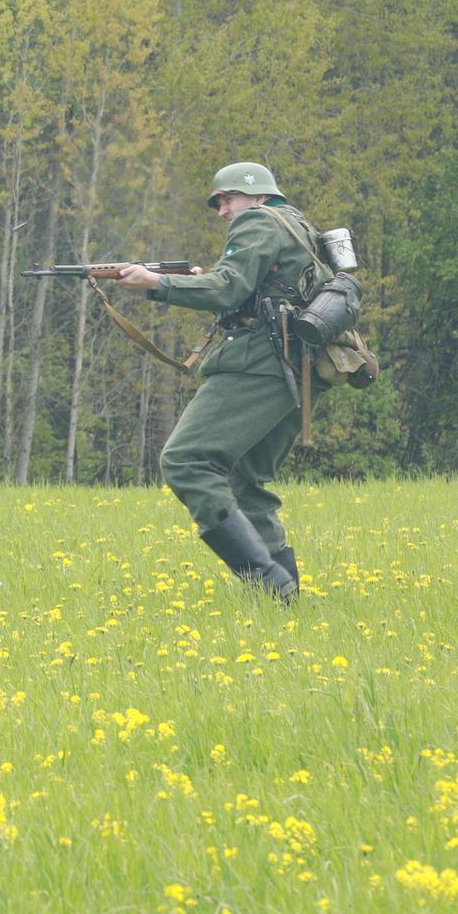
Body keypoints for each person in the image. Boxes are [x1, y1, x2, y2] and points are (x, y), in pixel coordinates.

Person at [109, 162, 317, 600]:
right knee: (244, 478)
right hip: (299, 367)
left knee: (186, 460)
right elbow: (252, 290)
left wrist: (157, 282)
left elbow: (228, 289)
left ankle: (268, 582)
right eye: (219, 203)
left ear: (256, 195)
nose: (223, 210)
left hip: (260, 362)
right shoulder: (296, 223)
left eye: (228, 199)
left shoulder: (258, 221)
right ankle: (282, 602)